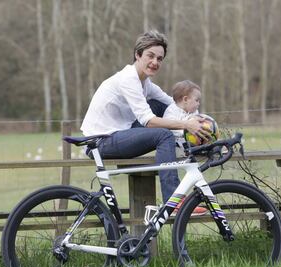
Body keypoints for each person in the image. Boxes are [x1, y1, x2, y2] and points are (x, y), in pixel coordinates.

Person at [81, 30, 208, 213]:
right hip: (100, 142)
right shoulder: (128, 79)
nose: (155, 62)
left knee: (160, 106)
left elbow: (173, 104)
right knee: (164, 135)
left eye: (160, 58)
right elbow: (148, 121)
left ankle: (190, 142)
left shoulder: (145, 83)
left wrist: (200, 121)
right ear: (137, 55)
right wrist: (187, 125)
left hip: (118, 132)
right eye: (150, 56)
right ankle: (174, 201)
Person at [163, 80, 201, 157]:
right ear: (185, 99)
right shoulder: (171, 111)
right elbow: (170, 128)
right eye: (197, 100)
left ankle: (215, 146)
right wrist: (187, 130)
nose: (198, 103)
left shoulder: (194, 112)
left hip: (191, 143)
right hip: (174, 146)